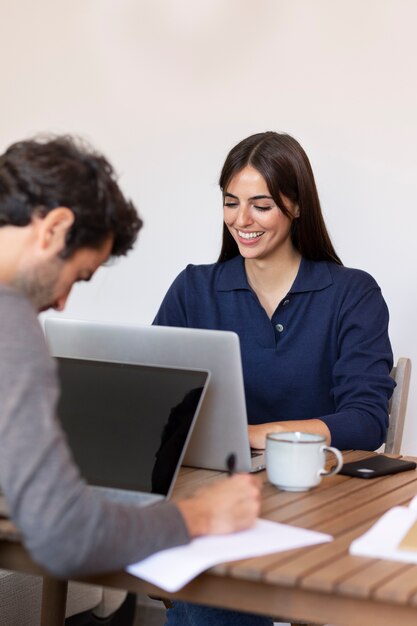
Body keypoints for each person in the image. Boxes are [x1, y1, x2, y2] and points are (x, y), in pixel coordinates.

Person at [0, 136, 261, 619]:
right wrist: (201, 514)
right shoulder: (10, 322)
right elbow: (65, 538)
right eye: (77, 277)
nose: (60, 304)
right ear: (54, 228)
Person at [154, 131, 395, 625]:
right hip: (219, 496)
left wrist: (251, 437)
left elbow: (366, 420)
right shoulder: (194, 288)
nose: (242, 220)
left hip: (322, 502)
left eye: (260, 205)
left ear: (296, 205)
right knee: (208, 585)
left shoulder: (351, 293)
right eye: (231, 202)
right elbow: (155, 404)